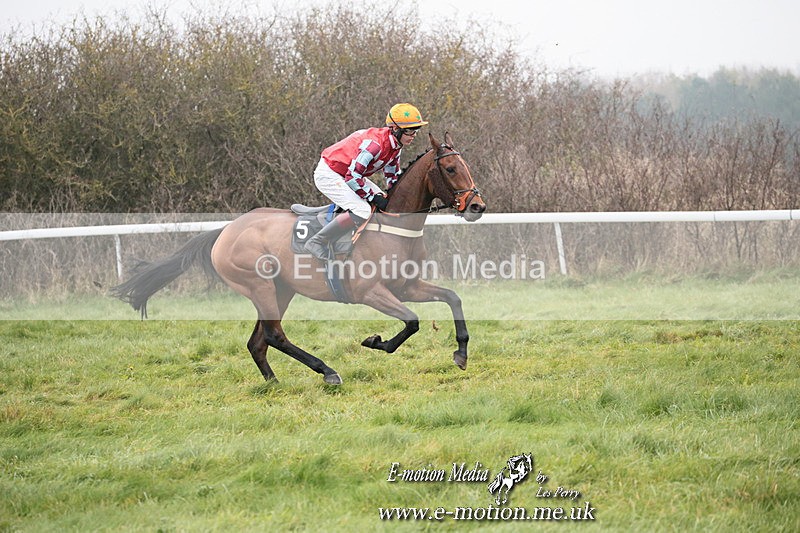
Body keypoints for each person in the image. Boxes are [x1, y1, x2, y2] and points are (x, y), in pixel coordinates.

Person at [303, 103, 428, 260]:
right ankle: (317, 242)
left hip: (348, 173)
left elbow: (393, 177)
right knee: (362, 210)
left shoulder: (396, 146)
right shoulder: (375, 146)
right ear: (396, 129)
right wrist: (372, 197)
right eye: (410, 130)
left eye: (416, 130)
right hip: (330, 173)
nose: (414, 135)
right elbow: (352, 177)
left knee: (384, 198)